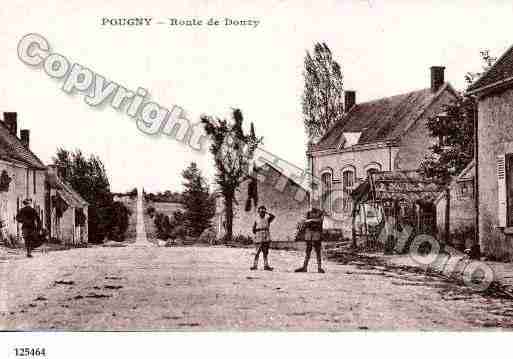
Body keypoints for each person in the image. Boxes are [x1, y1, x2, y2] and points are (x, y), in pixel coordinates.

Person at [295, 207, 325, 273]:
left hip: (316, 234)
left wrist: (310, 220)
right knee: (308, 252)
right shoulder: (308, 213)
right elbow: (304, 221)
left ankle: (319, 268)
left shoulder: (320, 213)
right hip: (309, 234)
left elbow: (320, 220)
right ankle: (304, 267)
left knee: (318, 252)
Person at [250, 205, 275, 271]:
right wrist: (257, 235)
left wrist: (267, 213)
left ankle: (266, 266)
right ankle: (255, 266)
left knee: (265, 252)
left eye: (263, 212)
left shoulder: (267, 219)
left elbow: (273, 216)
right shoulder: (256, 219)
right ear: (259, 212)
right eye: (261, 211)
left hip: (266, 237)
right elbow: (253, 229)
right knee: (257, 252)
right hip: (258, 237)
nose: (262, 213)